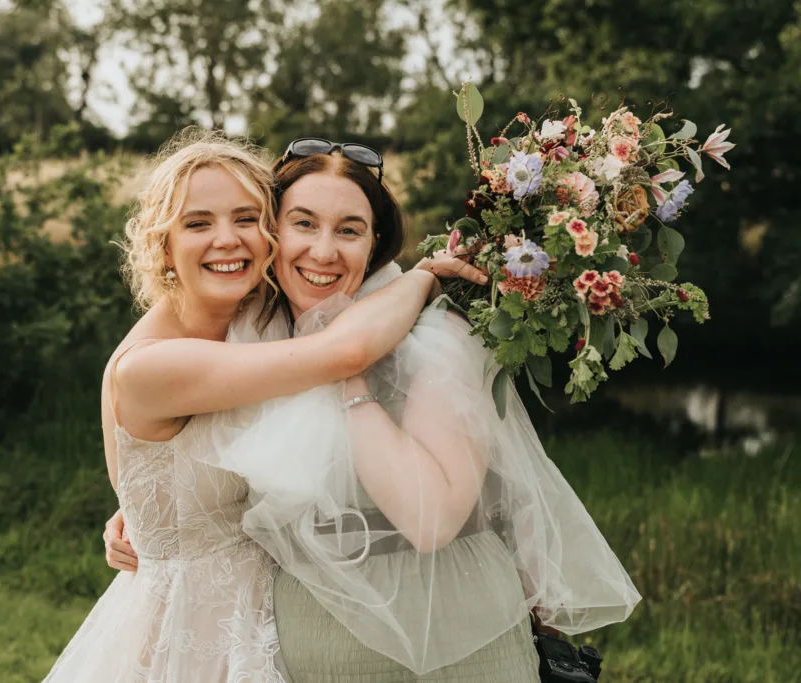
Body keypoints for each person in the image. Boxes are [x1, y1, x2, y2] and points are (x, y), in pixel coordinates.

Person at [104, 138, 640, 682]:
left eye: (349, 230)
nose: (323, 250)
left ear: (375, 242)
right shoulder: (232, 345)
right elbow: (341, 354)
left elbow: (430, 515)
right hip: (223, 637)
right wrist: (154, 524)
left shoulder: (422, 336)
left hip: (447, 636)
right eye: (303, 223)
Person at [41, 130, 459, 683]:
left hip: (274, 623)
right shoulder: (148, 366)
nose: (227, 239)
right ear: (162, 244)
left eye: (245, 218)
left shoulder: (260, 318)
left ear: (270, 233)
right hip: (191, 637)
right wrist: (426, 275)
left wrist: (141, 512)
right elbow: (347, 351)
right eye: (197, 223)